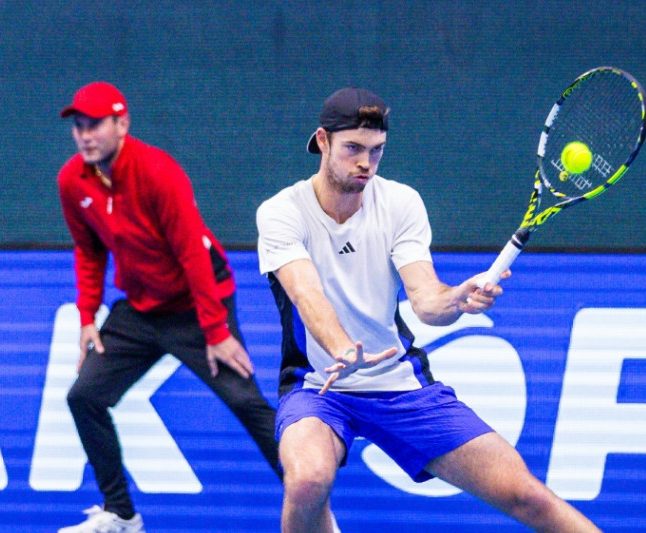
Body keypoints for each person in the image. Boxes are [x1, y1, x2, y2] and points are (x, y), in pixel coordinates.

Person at [256, 87, 602, 533]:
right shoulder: (282, 212)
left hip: (400, 384)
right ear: (322, 142)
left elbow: (427, 301)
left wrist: (458, 297)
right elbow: (306, 295)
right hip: (319, 386)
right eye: (353, 149)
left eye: (376, 151)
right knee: (307, 480)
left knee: (525, 494)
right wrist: (343, 349)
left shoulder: (400, 203)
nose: (365, 162)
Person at [56, 81, 280, 533]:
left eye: (95, 124)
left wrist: (215, 331)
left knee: (247, 403)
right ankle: (120, 514)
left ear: (122, 123)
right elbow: (89, 250)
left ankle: (312, 500)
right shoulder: (72, 180)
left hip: (198, 305)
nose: (85, 135)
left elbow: (191, 254)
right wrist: (87, 317)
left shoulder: (158, 171)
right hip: (140, 310)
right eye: (79, 126)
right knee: (84, 397)